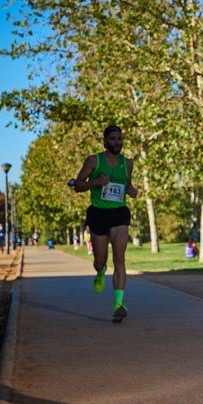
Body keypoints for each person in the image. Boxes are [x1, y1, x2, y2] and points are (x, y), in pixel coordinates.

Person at [72, 125, 138, 322]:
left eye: (119, 138)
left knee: (120, 257)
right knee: (100, 260)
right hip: (98, 213)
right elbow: (78, 185)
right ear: (105, 141)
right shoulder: (94, 160)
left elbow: (127, 185)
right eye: (112, 139)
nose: (116, 142)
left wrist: (132, 191)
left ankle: (119, 304)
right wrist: (96, 182)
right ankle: (100, 271)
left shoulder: (128, 164)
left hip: (119, 213)